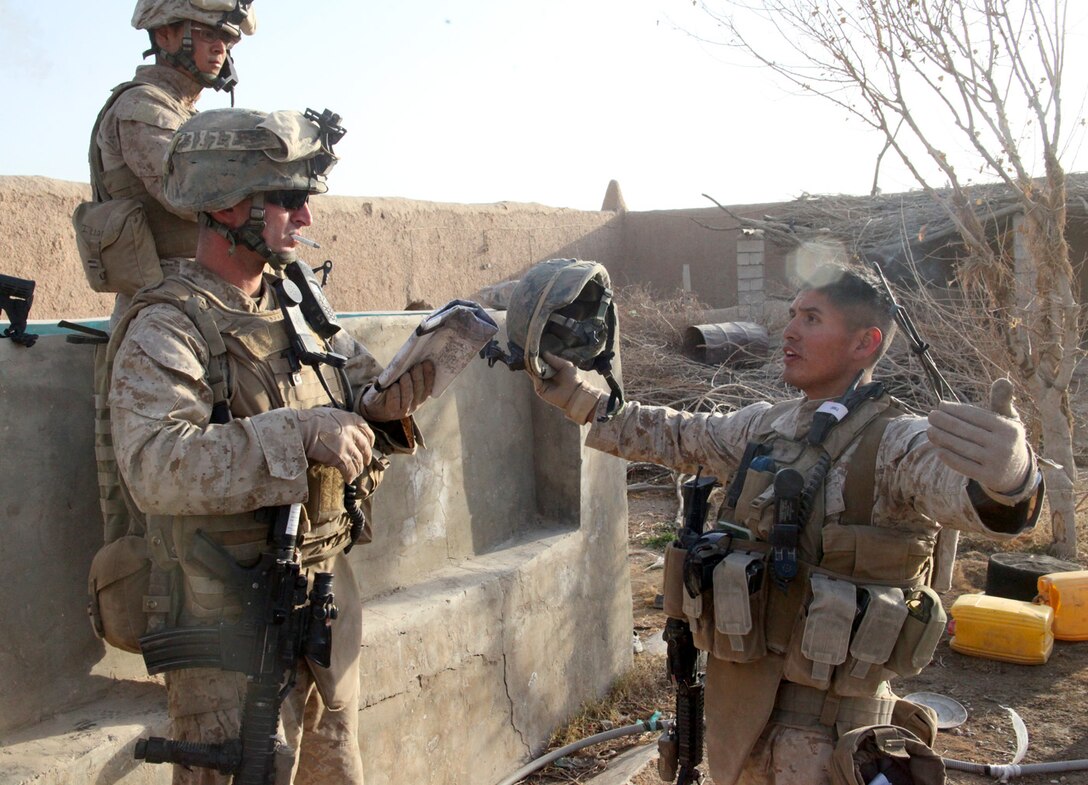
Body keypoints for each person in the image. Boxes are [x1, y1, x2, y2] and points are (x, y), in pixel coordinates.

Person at [532, 263, 1042, 785]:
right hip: (739, 716)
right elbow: (678, 436)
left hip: (826, 738)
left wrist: (1013, 478)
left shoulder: (896, 443)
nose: (791, 331)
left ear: (864, 343)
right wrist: (577, 396)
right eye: (793, 315)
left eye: (813, 318)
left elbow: (974, 499)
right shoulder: (768, 425)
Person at [107, 106, 434, 785]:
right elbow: (155, 467)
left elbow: (360, 385)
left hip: (321, 610)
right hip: (228, 631)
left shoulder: (297, 302)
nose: (305, 219)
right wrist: (297, 433)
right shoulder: (168, 323)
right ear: (226, 201)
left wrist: (394, 397)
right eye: (287, 199)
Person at [90, 0, 257, 323]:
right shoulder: (142, 107)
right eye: (208, 35)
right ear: (165, 36)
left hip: (204, 296)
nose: (220, 49)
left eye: (227, 40)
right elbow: (189, 195)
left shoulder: (186, 114)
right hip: (165, 309)